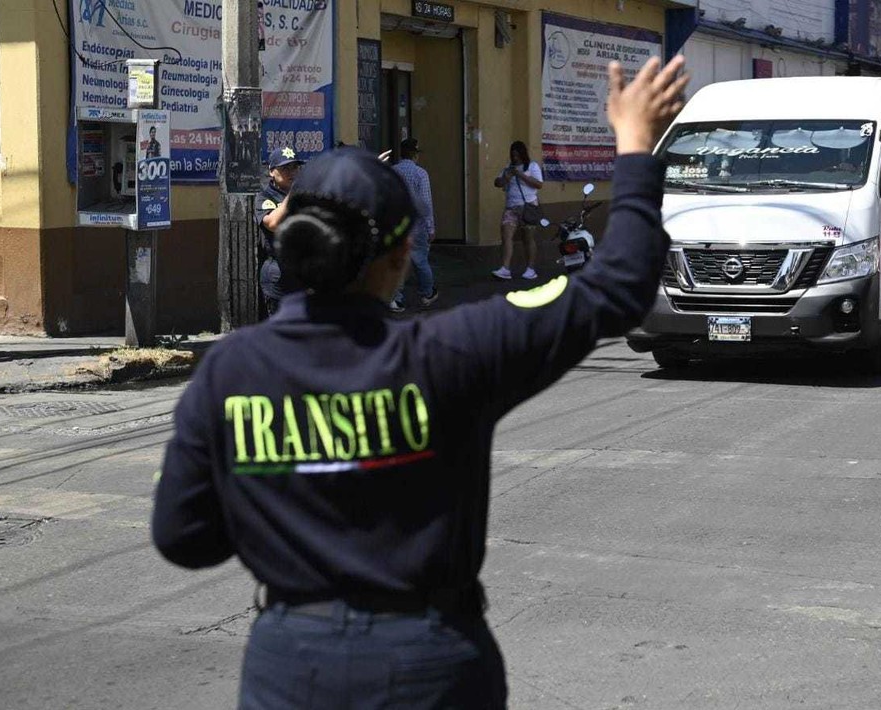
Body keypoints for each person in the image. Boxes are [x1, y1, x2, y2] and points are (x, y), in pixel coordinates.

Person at [151, 54, 690, 708]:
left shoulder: (228, 372)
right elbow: (619, 285)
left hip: (293, 668)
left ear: (282, 238)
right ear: (402, 256)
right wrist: (635, 145)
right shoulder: (453, 349)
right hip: (431, 667)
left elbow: (186, 539)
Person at [387, 138, 438, 312]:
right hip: (417, 225)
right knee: (421, 261)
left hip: (397, 223)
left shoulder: (392, 171)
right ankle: (427, 293)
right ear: (415, 154)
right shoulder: (421, 174)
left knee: (398, 261)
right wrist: (431, 227)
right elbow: (425, 203)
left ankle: (395, 298)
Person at [255, 147, 305, 317]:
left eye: (295, 167)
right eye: (285, 168)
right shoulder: (265, 198)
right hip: (278, 273)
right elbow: (273, 223)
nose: (292, 173)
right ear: (271, 171)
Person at [491, 141, 544, 280]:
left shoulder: (532, 166)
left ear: (523, 154)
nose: (515, 157)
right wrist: (505, 178)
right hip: (511, 208)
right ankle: (505, 268)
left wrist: (521, 175)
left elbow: (539, 184)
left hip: (528, 207)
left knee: (528, 238)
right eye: (513, 155)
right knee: (506, 237)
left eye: (517, 154)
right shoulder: (508, 167)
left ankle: (530, 269)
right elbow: (497, 183)